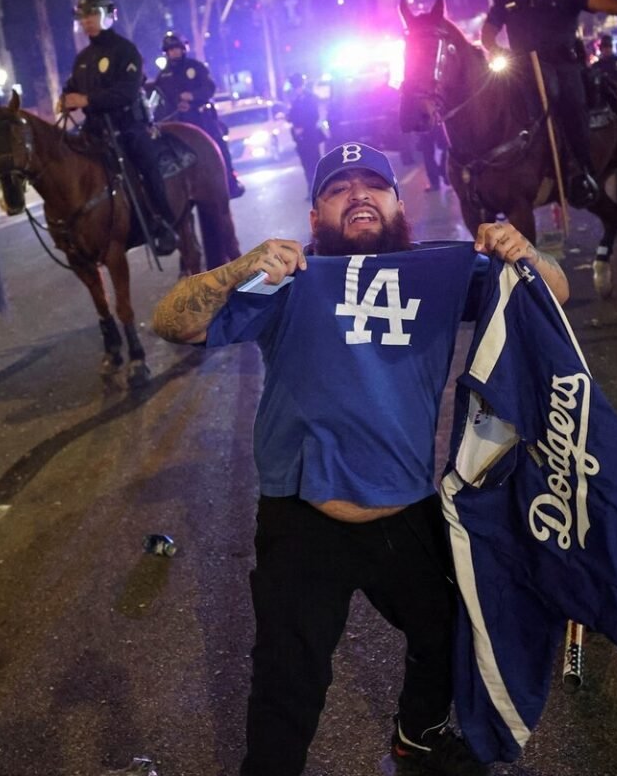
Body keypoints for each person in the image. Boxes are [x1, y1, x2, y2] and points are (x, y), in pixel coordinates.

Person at [150, 142, 571, 776]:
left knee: (451, 631)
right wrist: (240, 268)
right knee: (287, 685)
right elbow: (171, 322)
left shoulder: (442, 274)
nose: (358, 196)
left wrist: (524, 251)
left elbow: (553, 295)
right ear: (314, 216)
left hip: (405, 509)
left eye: (372, 185)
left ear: (399, 205)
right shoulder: (288, 283)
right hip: (304, 518)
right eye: (338, 189)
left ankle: (417, 740)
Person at [481, 0, 617, 208]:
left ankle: (582, 171)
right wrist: (493, 47)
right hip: (522, 69)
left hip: (563, 66)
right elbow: (489, 29)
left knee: (571, 105)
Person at [60, 0, 178, 256]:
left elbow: (126, 91)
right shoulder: (82, 59)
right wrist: (65, 99)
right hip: (95, 131)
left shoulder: (125, 51)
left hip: (127, 126)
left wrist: (87, 100)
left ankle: (164, 224)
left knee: (147, 165)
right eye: (83, 17)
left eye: (93, 14)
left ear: (108, 16)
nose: (87, 21)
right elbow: (72, 88)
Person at [150, 31, 245, 198]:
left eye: (176, 49)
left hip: (200, 118)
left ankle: (230, 183)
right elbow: (160, 99)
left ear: (183, 49)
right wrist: (173, 107)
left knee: (218, 145)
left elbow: (209, 88)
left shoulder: (196, 67)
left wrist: (193, 97)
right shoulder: (162, 76)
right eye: (170, 50)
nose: (174, 52)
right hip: (177, 120)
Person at [286, 73, 327, 191]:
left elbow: (314, 115)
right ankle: (311, 187)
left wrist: (302, 127)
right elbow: (292, 116)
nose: (296, 88)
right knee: (305, 163)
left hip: (310, 135)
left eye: (297, 85)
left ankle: (319, 188)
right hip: (300, 138)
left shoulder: (310, 97)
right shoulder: (295, 100)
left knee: (314, 162)